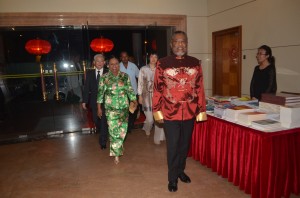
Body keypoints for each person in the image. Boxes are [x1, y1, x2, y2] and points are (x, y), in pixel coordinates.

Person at [152, 31, 207, 192]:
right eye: (177, 42)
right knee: (173, 146)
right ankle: (172, 178)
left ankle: (181, 170)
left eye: (183, 42)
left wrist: (201, 110)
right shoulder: (163, 63)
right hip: (170, 112)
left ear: (187, 44)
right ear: (171, 44)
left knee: (184, 145)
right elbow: (157, 89)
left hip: (189, 112)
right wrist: (157, 111)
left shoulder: (195, 63)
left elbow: (200, 88)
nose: (180, 44)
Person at [97, 56, 137, 164]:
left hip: (124, 108)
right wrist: (99, 108)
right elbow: (100, 94)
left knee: (122, 131)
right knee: (113, 131)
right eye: (112, 64)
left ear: (118, 65)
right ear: (108, 66)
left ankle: (118, 146)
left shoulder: (125, 76)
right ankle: (116, 154)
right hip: (110, 109)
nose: (114, 66)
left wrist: (134, 100)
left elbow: (130, 90)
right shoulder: (104, 78)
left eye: (116, 64)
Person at [82, 54, 109, 150]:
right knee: (96, 120)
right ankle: (103, 131)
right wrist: (84, 101)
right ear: (94, 62)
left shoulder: (108, 73)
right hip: (94, 101)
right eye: (98, 61)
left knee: (104, 121)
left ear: (104, 62)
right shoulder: (89, 74)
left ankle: (103, 141)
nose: (100, 63)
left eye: (102, 61)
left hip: (106, 101)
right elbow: (86, 88)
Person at [137, 52, 165, 144]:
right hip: (146, 97)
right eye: (152, 57)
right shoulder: (143, 69)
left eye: (155, 57)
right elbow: (140, 83)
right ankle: (146, 127)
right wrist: (139, 96)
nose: (153, 59)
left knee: (159, 118)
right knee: (150, 119)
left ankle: (158, 138)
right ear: (149, 58)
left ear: (158, 59)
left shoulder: (160, 69)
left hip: (159, 97)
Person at [119, 51, 140, 133]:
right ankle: (126, 126)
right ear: (120, 58)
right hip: (123, 93)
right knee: (124, 111)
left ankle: (130, 125)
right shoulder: (118, 66)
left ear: (128, 57)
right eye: (123, 57)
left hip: (133, 92)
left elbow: (139, 76)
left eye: (126, 56)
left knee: (133, 111)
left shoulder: (133, 66)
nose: (124, 58)